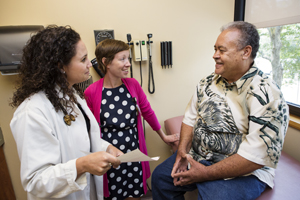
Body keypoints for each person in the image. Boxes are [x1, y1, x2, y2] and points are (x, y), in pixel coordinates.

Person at [151, 21, 290, 200]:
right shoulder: (207, 82)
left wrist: (205, 173)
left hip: (245, 171)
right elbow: (189, 118)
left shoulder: (267, 93)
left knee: (214, 196)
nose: (214, 55)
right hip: (200, 154)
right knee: (161, 178)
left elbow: (255, 157)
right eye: (215, 49)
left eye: (222, 50)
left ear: (245, 52)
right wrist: (182, 153)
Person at [10, 25, 123, 200]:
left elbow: (81, 138)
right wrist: (81, 165)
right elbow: (35, 182)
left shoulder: (72, 96)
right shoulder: (32, 112)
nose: (89, 64)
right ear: (60, 66)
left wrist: (105, 147)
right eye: (83, 59)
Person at [84, 39, 179, 200]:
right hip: (109, 157)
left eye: (128, 58)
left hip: (133, 153)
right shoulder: (91, 92)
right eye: (122, 59)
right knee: (112, 194)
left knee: (134, 194)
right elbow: (88, 128)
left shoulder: (133, 85)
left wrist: (164, 136)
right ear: (106, 62)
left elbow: (147, 112)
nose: (128, 64)